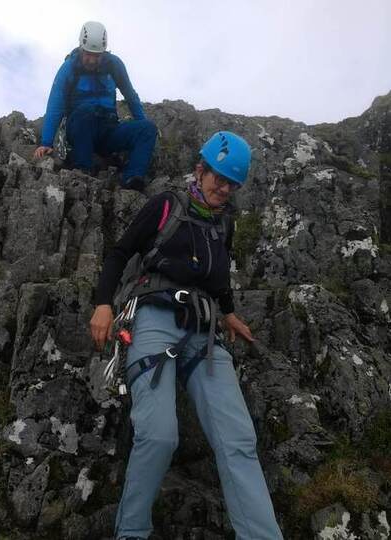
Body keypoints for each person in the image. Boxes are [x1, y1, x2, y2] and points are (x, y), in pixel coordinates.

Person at [90, 131, 283, 540]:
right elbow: (121, 253)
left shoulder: (223, 226)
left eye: (232, 184)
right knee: (159, 436)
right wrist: (103, 303)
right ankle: (131, 533)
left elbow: (218, 278)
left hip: (204, 331)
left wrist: (229, 313)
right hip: (154, 319)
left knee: (239, 440)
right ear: (201, 169)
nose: (224, 188)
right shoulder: (165, 206)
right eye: (219, 178)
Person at [34, 21, 157, 191]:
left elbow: (130, 96)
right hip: (80, 130)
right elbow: (55, 104)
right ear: (81, 47)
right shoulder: (69, 68)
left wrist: (141, 123)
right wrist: (46, 142)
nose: (92, 60)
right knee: (87, 111)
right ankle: (83, 170)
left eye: (97, 55)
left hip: (108, 130)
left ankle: (132, 179)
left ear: (104, 52)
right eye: (88, 54)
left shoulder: (114, 65)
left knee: (148, 128)